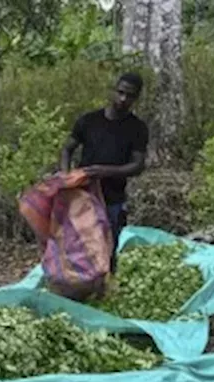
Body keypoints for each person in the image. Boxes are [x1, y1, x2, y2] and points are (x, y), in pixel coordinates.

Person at [60, 72, 149, 274]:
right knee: (78, 243)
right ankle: (76, 287)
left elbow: (137, 165)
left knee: (107, 248)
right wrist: (65, 176)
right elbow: (67, 149)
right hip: (83, 195)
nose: (123, 99)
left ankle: (104, 289)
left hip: (113, 198)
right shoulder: (89, 121)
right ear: (113, 90)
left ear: (136, 98)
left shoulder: (137, 128)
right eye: (120, 93)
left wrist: (105, 171)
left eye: (130, 96)